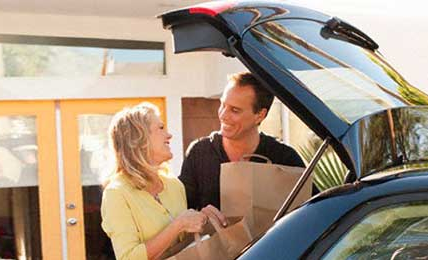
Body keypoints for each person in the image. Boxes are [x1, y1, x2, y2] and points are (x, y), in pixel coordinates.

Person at [180, 72, 317, 225]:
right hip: (215, 248)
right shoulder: (199, 153)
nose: (223, 115)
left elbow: (314, 210)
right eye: (223, 105)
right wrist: (199, 214)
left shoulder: (284, 158)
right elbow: (179, 213)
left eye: (235, 110)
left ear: (260, 115)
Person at [101, 102, 208, 260]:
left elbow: (185, 244)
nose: (169, 135)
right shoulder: (116, 194)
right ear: (139, 139)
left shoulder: (174, 185)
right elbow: (128, 257)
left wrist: (202, 218)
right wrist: (178, 225)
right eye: (161, 128)